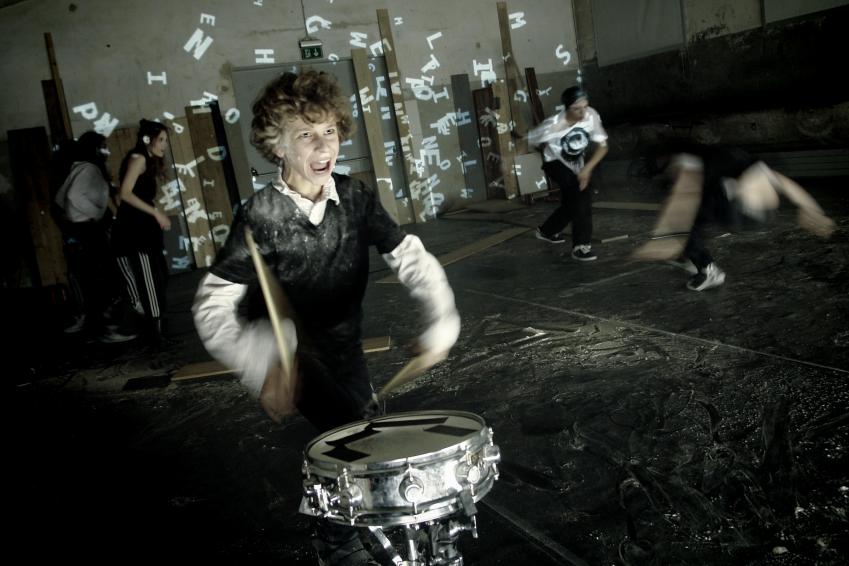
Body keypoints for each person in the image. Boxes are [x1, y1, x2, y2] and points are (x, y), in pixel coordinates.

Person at [191, 70, 461, 565]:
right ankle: (340, 545)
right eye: (305, 134)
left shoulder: (355, 197)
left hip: (346, 347)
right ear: (277, 147)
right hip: (293, 355)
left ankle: (342, 532)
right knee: (351, 437)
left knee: (360, 435)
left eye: (330, 131)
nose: (323, 146)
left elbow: (409, 255)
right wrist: (262, 364)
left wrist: (441, 318)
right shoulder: (261, 216)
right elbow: (211, 305)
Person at [631, 144, 835, 290]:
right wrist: (811, 208)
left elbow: (683, 196)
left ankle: (707, 269)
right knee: (694, 213)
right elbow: (781, 181)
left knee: (687, 210)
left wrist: (665, 237)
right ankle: (691, 257)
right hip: (751, 210)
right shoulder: (720, 161)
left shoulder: (691, 161)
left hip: (741, 209)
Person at [54, 131, 136, 342]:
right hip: (88, 230)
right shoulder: (89, 169)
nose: (107, 150)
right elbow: (71, 196)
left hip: (81, 229)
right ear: (94, 149)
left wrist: (72, 215)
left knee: (94, 278)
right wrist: (94, 214)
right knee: (104, 277)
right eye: (103, 146)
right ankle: (110, 326)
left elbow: (60, 198)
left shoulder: (80, 167)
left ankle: (103, 325)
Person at [529, 85, 609, 261]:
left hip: (578, 164)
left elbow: (603, 147)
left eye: (585, 107)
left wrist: (587, 169)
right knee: (581, 197)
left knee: (572, 202)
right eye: (576, 109)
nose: (582, 112)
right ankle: (581, 246)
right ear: (567, 108)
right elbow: (529, 140)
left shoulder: (591, 116)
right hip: (555, 164)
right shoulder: (552, 125)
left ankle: (547, 231)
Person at [111, 120, 172, 342]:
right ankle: (155, 331)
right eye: (161, 140)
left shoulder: (146, 160)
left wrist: (155, 214)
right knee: (149, 279)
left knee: (157, 276)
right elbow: (125, 193)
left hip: (142, 229)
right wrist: (156, 213)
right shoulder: (139, 159)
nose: (164, 145)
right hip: (136, 232)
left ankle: (155, 326)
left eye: (165, 140)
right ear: (148, 140)